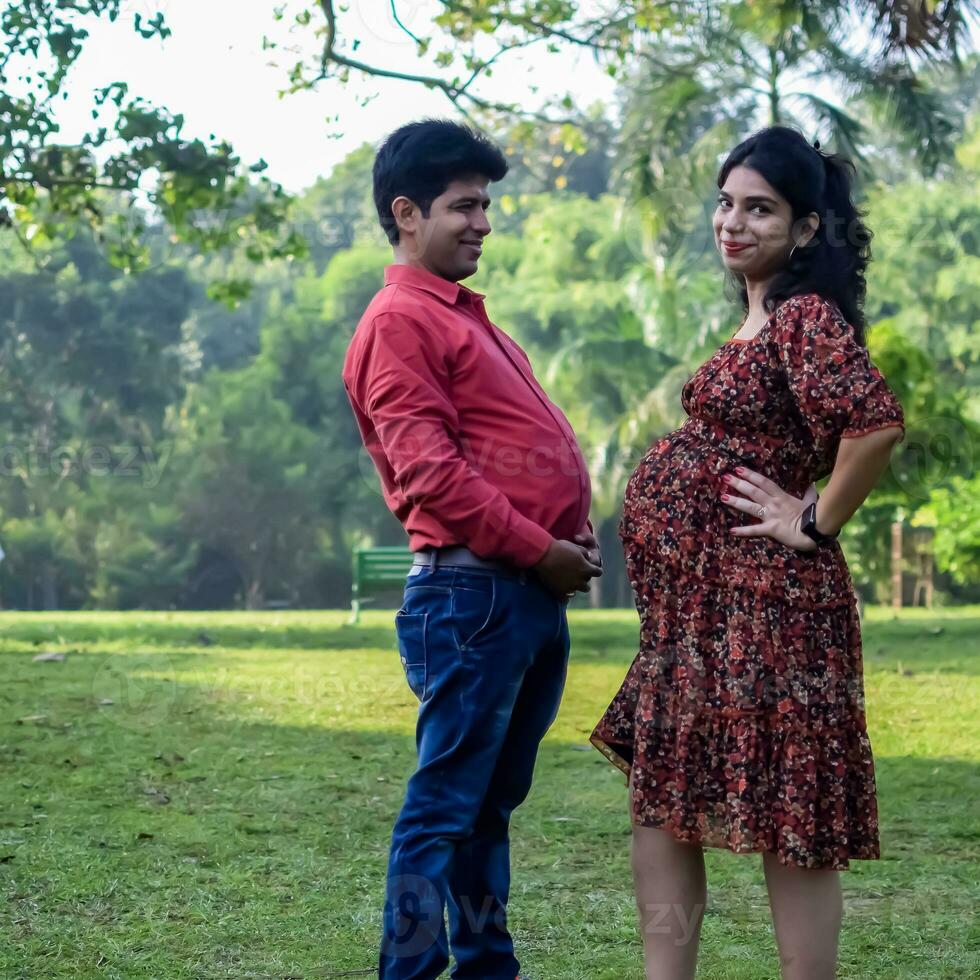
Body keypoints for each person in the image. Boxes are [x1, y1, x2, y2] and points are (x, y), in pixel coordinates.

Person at [590, 126, 906, 980]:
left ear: (806, 229)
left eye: (758, 208)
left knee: (792, 811)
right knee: (663, 798)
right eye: (725, 204)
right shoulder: (760, 316)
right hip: (699, 617)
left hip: (766, 612)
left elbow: (874, 426)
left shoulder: (803, 317)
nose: (732, 223)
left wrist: (814, 520)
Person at [342, 119, 602, 980]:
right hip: (477, 596)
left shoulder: (461, 316)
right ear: (406, 213)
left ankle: (487, 967)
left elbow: (504, 447)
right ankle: (410, 972)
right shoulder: (399, 321)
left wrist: (567, 531)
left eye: (486, 205)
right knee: (444, 807)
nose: (483, 222)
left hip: (517, 595)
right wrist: (539, 549)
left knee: (485, 806)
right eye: (464, 206)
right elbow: (432, 474)